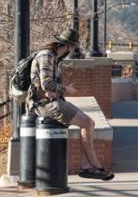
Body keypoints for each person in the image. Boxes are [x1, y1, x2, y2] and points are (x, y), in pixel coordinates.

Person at [26, 28, 114, 181]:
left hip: (51, 102)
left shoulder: (55, 58)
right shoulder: (46, 56)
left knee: (88, 123)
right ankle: (93, 165)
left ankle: (87, 167)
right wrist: (66, 88)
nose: (72, 51)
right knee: (87, 123)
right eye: (72, 47)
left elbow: (50, 86)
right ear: (67, 46)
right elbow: (47, 84)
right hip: (41, 105)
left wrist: (57, 90)